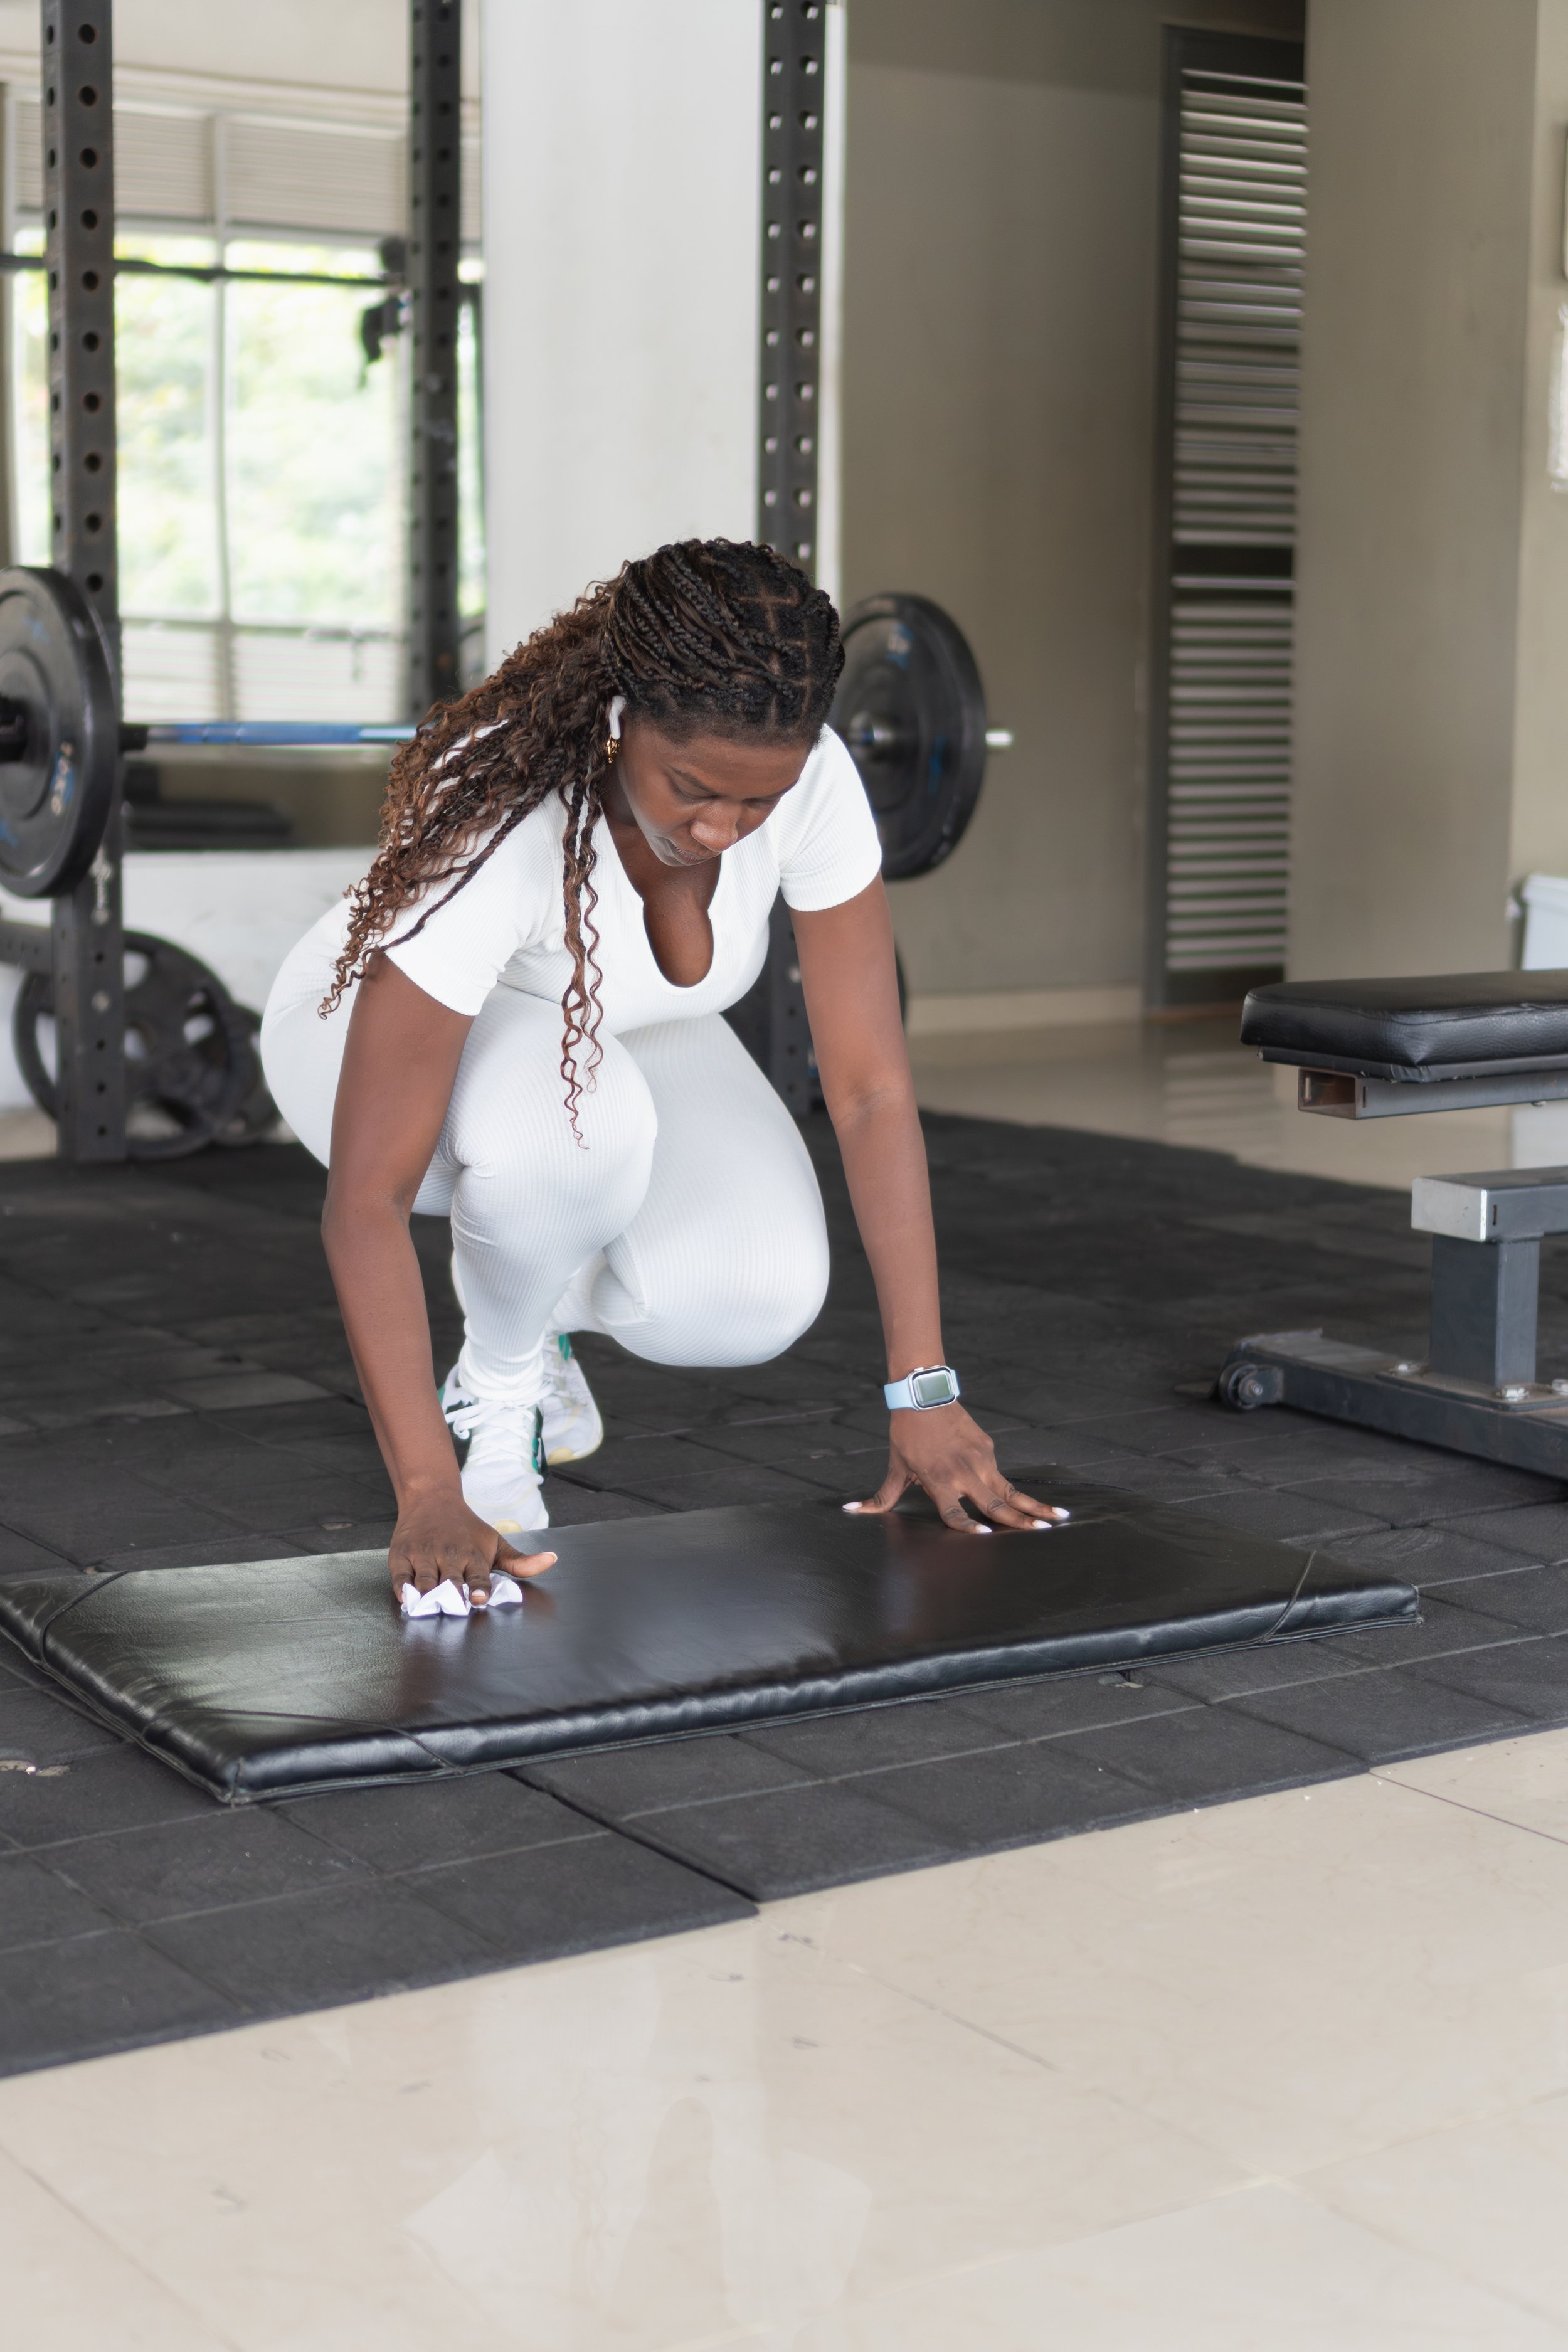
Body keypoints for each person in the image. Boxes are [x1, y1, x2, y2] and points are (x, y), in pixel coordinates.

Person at [261, 538, 1064, 1607]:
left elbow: (870, 1092)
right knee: (572, 1133)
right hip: (360, 1034)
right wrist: (426, 1489)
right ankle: (496, 1387)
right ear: (620, 716)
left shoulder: (811, 779)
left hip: (627, 1031)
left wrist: (923, 1389)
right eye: (692, 788)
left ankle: (529, 1291)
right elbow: (367, 1199)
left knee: (756, 1292)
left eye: (756, 805)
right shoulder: (503, 811)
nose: (720, 830)